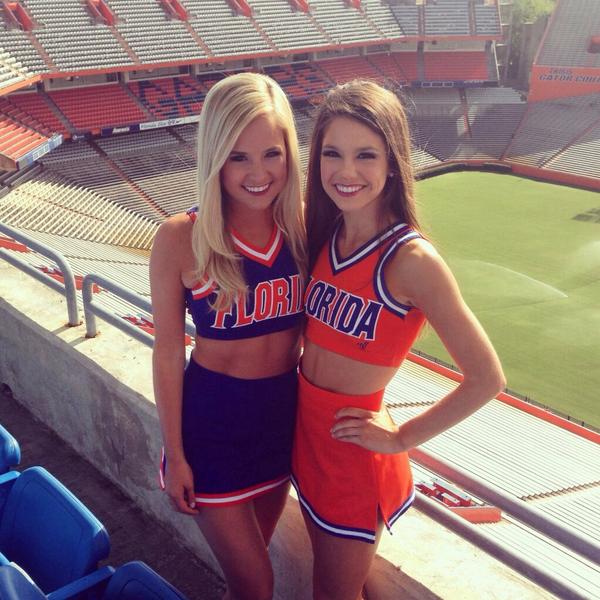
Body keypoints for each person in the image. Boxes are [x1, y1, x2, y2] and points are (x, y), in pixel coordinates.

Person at [292, 80, 506, 600]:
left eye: (366, 155)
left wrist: (401, 438)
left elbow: (487, 378)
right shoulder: (323, 231)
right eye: (332, 154)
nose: (346, 171)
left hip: (352, 456)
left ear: (393, 162)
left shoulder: (411, 260)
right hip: (303, 438)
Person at [150, 72, 305, 600]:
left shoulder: (305, 228)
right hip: (212, 427)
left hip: (281, 421)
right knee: (256, 583)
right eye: (238, 157)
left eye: (271, 154)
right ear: (215, 156)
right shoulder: (181, 237)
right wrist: (175, 453)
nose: (258, 173)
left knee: (247, 582)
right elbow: (167, 352)